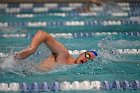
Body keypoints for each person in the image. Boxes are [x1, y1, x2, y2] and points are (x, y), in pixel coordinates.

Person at [14, 30, 98, 71]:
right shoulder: (64, 55)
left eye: (89, 60)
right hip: (18, 70)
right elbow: (43, 34)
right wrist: (32, 49)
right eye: (87, 56)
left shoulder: (71, 69)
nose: (87, 59)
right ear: (82, 54)